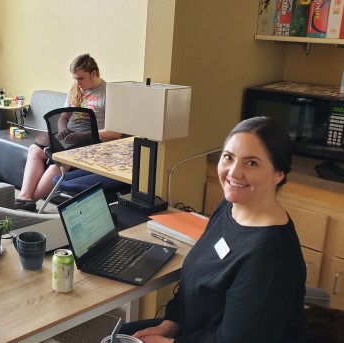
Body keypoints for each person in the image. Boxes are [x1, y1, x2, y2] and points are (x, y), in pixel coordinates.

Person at [119, 116, 307, 342]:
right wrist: (171, 324)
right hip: (193, 329)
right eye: (228, 157)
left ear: (279, 174)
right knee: (119, 336)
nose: (234, 172)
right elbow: (194, 280)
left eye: (252, 163)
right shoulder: (230, 207)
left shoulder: (268, 253)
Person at [15, 54, 121, 211]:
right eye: (74, 79)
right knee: (35, 149)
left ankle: (27, 203)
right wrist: (63, 128)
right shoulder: (75, 89)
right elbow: (63, 117)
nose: (77, 83)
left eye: (80, 78)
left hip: (91, 142)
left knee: (60, 159)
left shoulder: (109, 93)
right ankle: (24, 198)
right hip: (70, 138)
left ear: (94, 73)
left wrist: (84, 135)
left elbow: (115, 133)